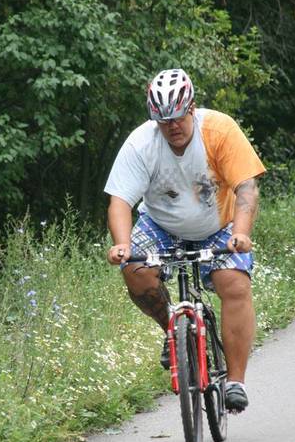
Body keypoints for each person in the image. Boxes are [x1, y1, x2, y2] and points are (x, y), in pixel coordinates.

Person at [104, 68, 265, 412]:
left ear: (191, 108)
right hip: (162, 225)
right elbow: (120, 201)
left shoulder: (219, 130)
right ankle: (172, 330)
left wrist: (241, 232)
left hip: (219, 224)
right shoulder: (141, 144)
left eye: (177, 117)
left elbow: (246, 187)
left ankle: (235, 382)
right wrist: (122, 244)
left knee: (234, 283)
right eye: (163, 121)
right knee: (134, 270)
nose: (172, 126)